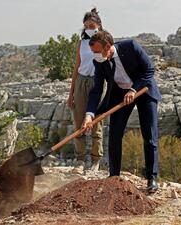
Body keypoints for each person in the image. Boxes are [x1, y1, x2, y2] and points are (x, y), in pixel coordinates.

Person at [83, 30, 161, 192]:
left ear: (109, 46)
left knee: (149, 135)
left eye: (97, 51)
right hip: (120, 94)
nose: (95, 55)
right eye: (93, 52)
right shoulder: (99, 61)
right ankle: (114, 177)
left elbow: (149, 70)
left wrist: (133, 90)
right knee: (115, 134)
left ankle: (151, 179)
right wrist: (89, 115)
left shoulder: (130, 47)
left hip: (143, 90)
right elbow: (97, 89)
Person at [67, 8, 104, 173]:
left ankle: (96, 160)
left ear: (98, 25)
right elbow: (76, 67)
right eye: (87, 26)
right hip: (81, 81)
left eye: (92, 25)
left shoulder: (104, 41)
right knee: (79, 120)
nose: (90, 28)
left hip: (97, 82)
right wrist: (71, 93)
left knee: (96, 121)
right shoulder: (81, 43)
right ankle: (80, 159)